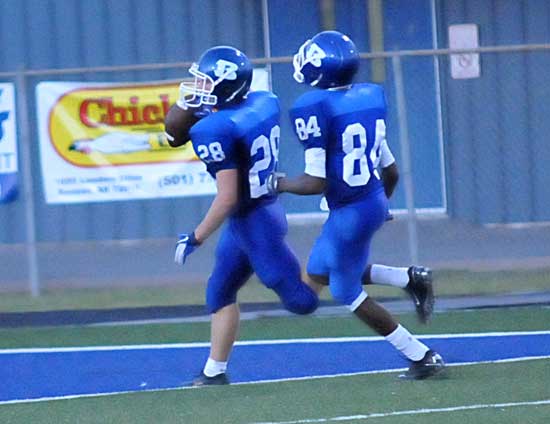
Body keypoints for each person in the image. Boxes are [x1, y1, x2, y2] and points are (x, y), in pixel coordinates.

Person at [274, 30, 444, 379]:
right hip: (368, 201)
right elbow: (391, 171)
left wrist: (278, 182)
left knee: (344, 289)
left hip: (350, 211)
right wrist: (381, 205)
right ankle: (408, 278)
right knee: (319, 271)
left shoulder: (314, 107)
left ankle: (421, 355)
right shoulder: (368, 98)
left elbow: (315, 182)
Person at [166, 45, 319, 386]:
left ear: (224, 85)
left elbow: (227, 196)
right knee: (219, 292)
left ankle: (359, 268)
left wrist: (196, 236)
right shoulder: (263, 101)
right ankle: (214, 372)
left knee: (301, 302)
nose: (196, 88)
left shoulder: (215, 129)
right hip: (251, 217)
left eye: (204, 82)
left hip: (255, 223)